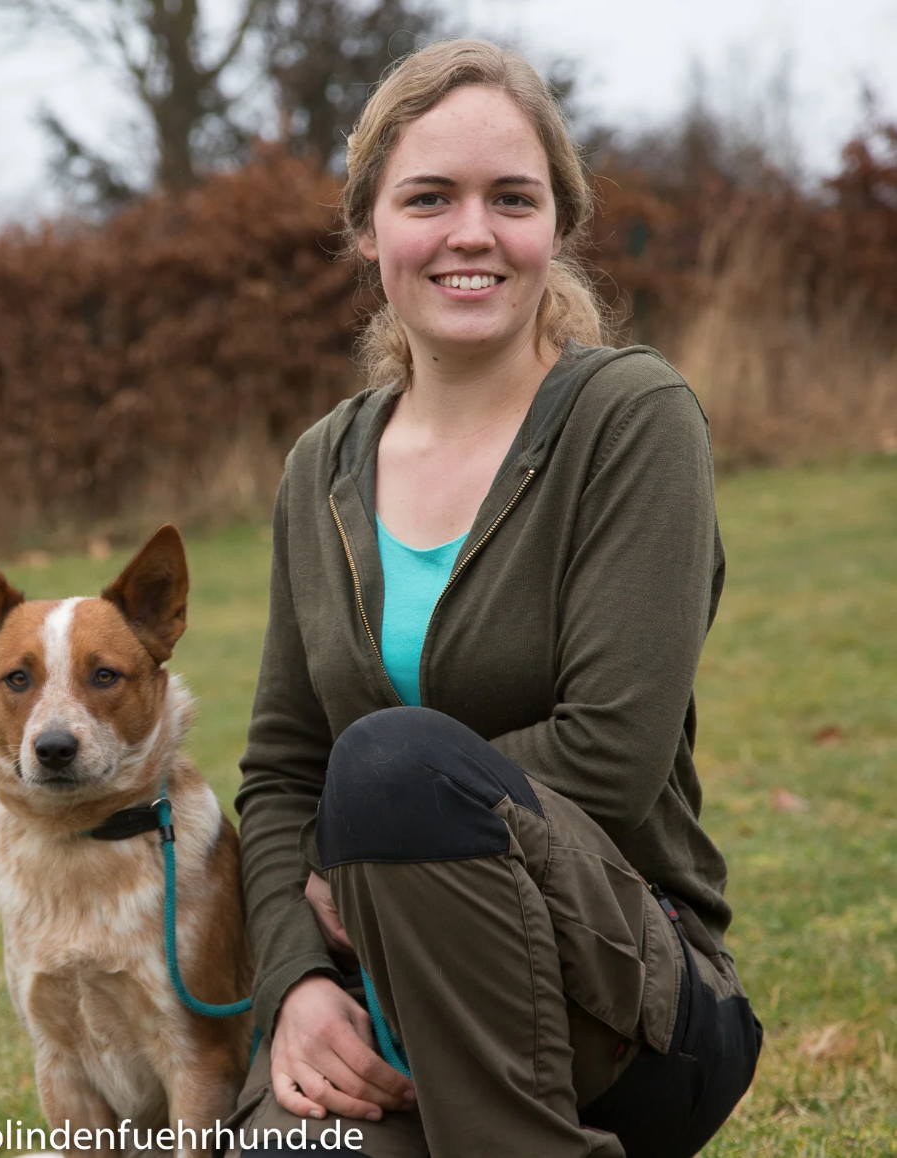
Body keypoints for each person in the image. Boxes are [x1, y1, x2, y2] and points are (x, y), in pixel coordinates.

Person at [229, 39, 761, 1158]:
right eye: (428, 198)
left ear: (553, 229)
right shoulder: (317, 467)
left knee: (387, 766)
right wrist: (294, 985)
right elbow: (278, 769)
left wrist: (365, 850)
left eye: (509, 199)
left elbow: (610, 752)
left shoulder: (631, 417)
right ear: (369, 230)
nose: (471, 232)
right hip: (377, 1004)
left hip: (621, 1003)